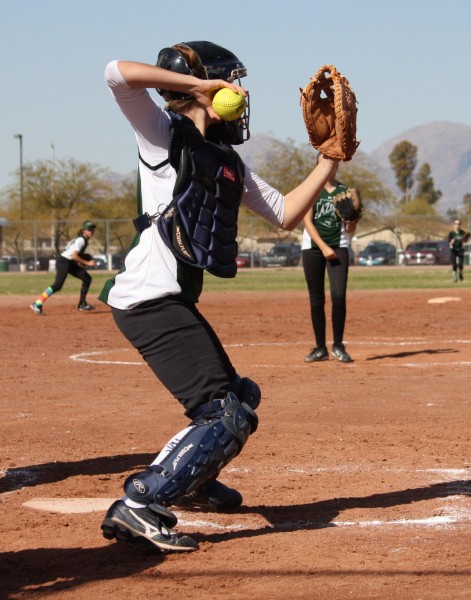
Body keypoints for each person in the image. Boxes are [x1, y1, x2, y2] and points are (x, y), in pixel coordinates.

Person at [98, 41, 340, 554]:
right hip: (149, 300)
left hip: (168, 301)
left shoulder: (225, 160)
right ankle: (143, 501)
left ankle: (194, 482)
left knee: (240, 398)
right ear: (208, 86)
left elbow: (285, 212)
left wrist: (329, 160)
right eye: (233, 80)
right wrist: (198, 86)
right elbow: (115, 73)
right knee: (223, 413)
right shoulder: (163, 135)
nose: (241, 91)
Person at [301, 160, 359, 364]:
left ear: (336, 167)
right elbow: (307, 221)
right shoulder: (311, 189)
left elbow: (350, 229)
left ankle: (338, 345)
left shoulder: (344, 192)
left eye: (333, 163)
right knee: (316, 299)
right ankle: (320, 348)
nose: (329, 167)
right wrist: (324, 247)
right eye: (325, 163)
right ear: (317, 166)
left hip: (339, 245)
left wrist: (352, 221)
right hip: (313, 248)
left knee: (339, 296)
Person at [30, 220, 97, 315]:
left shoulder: (81, 239)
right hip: (64, 261)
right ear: (84, 230)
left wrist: (80, 258)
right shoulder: (81, 240)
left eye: (92, 229)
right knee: (57, 285)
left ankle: (82, 303)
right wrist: (87, 262)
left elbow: (69, 247)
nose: (91, 231)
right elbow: (74, 255)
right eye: (89, 229)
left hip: (69, 262)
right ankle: (38, 303)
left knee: (86, 278)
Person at [448, 218, 469, 282]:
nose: (458, 225)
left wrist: (465, 239)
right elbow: (449, 243)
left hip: (460, 249)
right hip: (453, 250)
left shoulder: (462, 232)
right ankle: (455, 275)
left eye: (459, 224)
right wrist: (451, 242)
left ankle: (460, 273)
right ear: (454, 225)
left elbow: (465, 241)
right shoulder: (451, 233)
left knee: (460, 264)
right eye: (456, 224)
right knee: (454, 264)